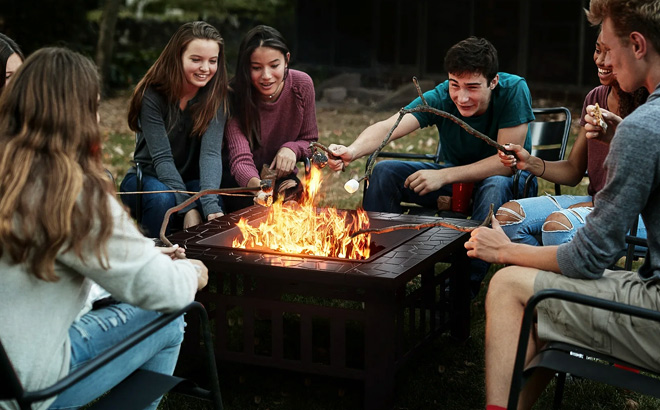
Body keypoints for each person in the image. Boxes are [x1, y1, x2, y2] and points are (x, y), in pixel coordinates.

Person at [464, 0, 660, 408]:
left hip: (653, 307)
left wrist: (503, 250)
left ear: (637, 44)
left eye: (608, 47)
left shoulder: (643, 127)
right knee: (543, 291)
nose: (603, 59)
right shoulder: (631, 121)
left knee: (505, 285)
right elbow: (574, 170)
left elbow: (588, 259)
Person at [0, 47, 209, 410]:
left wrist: (145, 254)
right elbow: (165, 291)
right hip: (27, 389)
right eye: (94, 106)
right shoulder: (71, 193)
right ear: (80, 115)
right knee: (171, 317)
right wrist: (189, 271)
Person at [328, 36, 535, 296]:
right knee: (385, 172)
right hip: (453, 183)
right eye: (454, 85)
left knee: (495, 184)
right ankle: (379, 267)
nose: (462, 97)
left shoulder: (514, 89)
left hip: (506, 185)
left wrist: (443, 176)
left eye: (472, 87)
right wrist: (352, 151)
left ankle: (461, 286)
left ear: (493, 82)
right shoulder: (439, 97)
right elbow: (389, 126)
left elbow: (507, 165)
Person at [495, 31, 649, 247]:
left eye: (610, 53)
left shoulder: (650, 106)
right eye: (597, 50)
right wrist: (529, 162)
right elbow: (573, 170)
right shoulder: (595, 98)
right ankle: (543, 277)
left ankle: (562, 276)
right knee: (509, 218)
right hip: (597, 203)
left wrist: (595, 206)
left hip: (641, 214)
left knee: (558, 226)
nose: (600, 60)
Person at [119, 21, 228, 238]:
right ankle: (153, 260)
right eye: (196, 60)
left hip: (191, 182)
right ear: (177, 57)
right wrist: (188, 208)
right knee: (163, 199)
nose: (205, 68)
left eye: (212, 61)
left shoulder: (216, 97)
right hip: (147, 178)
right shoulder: (152, 95)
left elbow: (211, 154)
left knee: (215, 201)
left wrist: (209, 206)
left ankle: (207, 266)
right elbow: (162, 160)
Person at [222, 25, 318, 212]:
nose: (266, 76)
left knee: (293, 201)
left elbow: (310, 141)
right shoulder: (232, 95)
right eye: (256, 68)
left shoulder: (302, 85)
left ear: (286, 60)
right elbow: (240, 160)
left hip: (281, 178)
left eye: (274, 66)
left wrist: (292, 148)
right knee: (254, 214)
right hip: (243, 183)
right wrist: (262, 189)